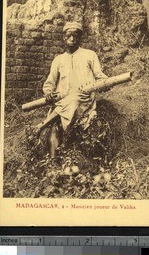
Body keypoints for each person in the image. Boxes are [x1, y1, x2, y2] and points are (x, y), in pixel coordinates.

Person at [37, 22, 108, 156]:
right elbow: (49, 83)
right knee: (54, 130)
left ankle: (48, 122)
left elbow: (99, 75)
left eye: (75, 36)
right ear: (64, 38)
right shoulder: (58, 60)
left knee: (74, 100)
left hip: (83, 99)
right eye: (69, 36)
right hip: (62, 100)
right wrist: (48, 93)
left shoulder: (90, 55)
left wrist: (103, 83)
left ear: (80, 38)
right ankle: (53, 163)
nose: (72, 39)